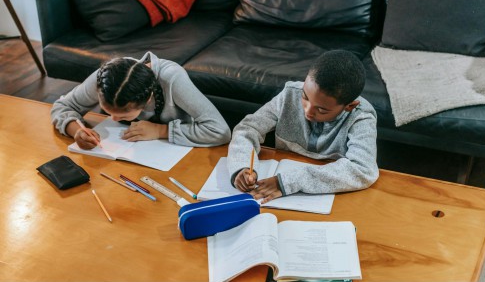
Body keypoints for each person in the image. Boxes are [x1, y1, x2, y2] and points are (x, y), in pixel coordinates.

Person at [227, 50, 378, 203]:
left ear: (349, 106)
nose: (308, 111)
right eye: (305, 97)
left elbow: (363, 169)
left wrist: (288, 182)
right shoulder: (290, 94)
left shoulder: (361, 116)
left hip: (325, 197)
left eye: (321, 109)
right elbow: (248, 128)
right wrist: (242, 166)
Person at [51, 51, 231, 148]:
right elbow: (63, 105)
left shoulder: (172, 79)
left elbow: (220, 131)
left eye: (122, 116)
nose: (112, 119)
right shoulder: (106, 77)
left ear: (148, 99)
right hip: (124, 151)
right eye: (107, 111)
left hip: (174, 153)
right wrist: (75, 130)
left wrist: (160, 131)